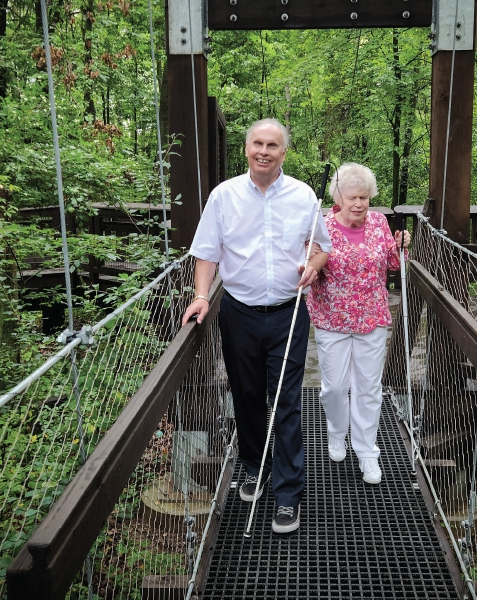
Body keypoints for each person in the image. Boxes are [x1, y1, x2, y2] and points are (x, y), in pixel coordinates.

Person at [181, 118, 331, 534]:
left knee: (285, 402)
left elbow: (320, 248)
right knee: (246, 396)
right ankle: (254, 466)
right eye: (257, 144)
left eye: (273, 145)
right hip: (239, 312)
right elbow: (207, 253)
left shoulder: (304, 195)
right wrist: (200, 296)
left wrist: (313, 267)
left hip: (289, 310)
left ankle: (288, 494)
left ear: (284, 152)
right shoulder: (223, 196)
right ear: (246, 149)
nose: (264, 151)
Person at [306, 163, 410, 485]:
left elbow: (393, 263)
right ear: (339, 197)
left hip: (372, 316)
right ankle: (337, 432)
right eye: (352, 197)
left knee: (368, 388)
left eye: (364, 197)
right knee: (334, 387)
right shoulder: (323, 227)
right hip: (331, 316)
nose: (359, 203)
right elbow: (310, 266)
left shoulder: (379, 223)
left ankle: (367, 451)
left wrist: (402, 245)